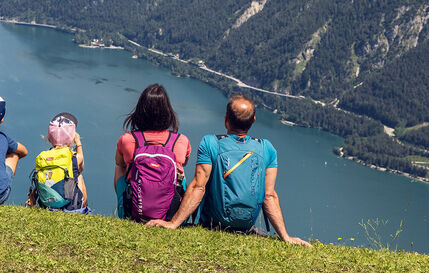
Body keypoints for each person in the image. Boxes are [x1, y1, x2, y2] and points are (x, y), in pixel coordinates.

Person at [146, 93, 311, 247]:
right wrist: (286, 237)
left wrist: (173, 223)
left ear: (226, 119)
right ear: (253, 121)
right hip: (245, 226)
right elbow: (269, 195)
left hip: (212, 225)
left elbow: (199, 186)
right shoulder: (266, 148)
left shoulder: (210, 143)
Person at [115, 83, 191, 221]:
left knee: (121, 168)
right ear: (168, 112)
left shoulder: (128, 139)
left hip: (135, 208)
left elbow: (119, 164)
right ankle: (178, 214)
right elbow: (184, 163)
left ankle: (125, 209)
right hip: (170, 213)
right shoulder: (181, 140)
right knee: (180, 171)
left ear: (140, 111)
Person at [26, 112, 89, 212]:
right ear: (72, 138)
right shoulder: (73, 157)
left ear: (49, 138)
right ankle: (81, 208)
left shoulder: (42, 157)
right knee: (79, 176)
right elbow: (81, 167)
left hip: (46, 204)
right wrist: (78, 143)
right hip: (70, 206)